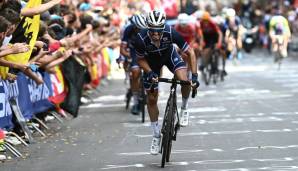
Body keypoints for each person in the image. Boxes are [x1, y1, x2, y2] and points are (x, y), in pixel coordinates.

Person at [134, 10, 199, 155]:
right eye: (153, 32)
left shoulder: (171, 32)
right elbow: (140, 60)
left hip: (169, 56)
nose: (156, 35)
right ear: (148, 28)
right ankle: (156, 135)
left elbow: (191, 53)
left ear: (163, 28)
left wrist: (194, 76)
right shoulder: (140, 38)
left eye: (159, 32)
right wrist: (149, 72)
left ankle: (184, 108)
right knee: (151, 98)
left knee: (185, 81)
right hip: (151, 63)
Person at [120, 14, 147, 115]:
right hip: (134, 52)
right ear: (134, 27)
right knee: (135, 72)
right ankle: (135, 102)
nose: (141, 31)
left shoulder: (148, 29)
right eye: (138, 29)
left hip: (146, 51)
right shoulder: (128, 30)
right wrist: (128, 56)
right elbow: (122, 49)